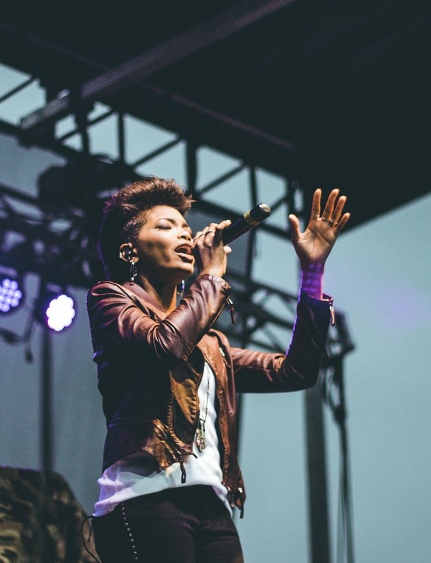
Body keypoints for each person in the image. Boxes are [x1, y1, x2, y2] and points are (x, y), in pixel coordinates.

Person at [86, 176, 350, 563]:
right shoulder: (110, 299)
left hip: (213, 507)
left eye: (185, 228)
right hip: (145, 499)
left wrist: (312, 273)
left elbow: (295, 372)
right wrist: (210, 277)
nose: (183, 235)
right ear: (130, 252)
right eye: (165, 226)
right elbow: (166, 345)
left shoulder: (213, 345)